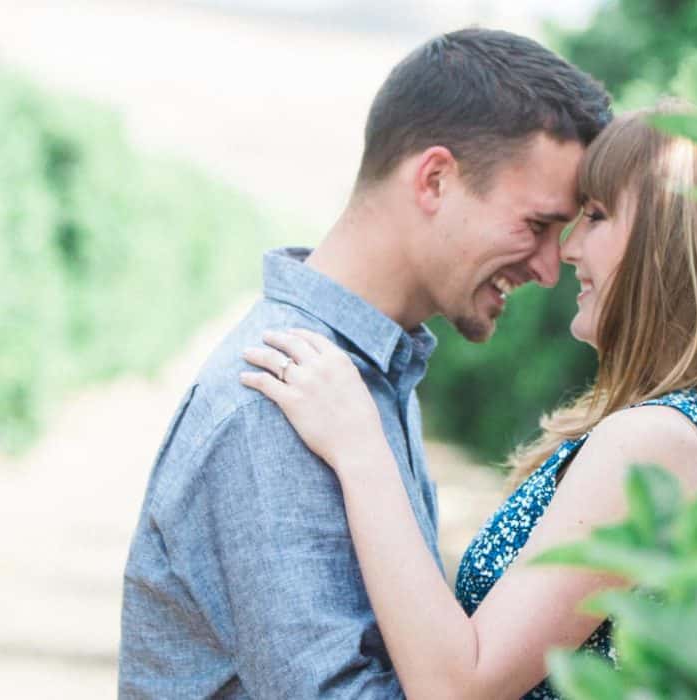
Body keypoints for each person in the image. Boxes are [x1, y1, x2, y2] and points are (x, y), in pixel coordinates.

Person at [238, 105, 697, 699]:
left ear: (666, 243)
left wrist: (360, 447)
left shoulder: (656, 441)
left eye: (596, 215)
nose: (567, 249)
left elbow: (457, 689)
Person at [118, 29, 610, 698]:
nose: (551, 268)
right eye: (537, 225)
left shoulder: (368, 382)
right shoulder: (275, 396)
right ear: (435, 179)